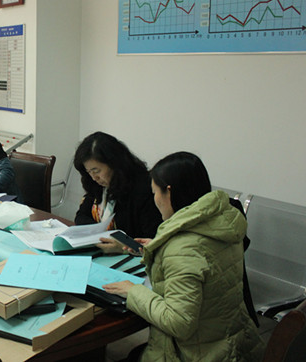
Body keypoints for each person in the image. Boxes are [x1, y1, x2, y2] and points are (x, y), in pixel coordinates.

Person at [102, 152, 264, 362]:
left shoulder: (183, 248)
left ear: (169, 192)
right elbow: (204, 258)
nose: (155, 200)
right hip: (232, 342)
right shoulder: (222, 223)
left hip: (196, 353)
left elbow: (179, 323)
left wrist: (133, 292)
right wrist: (158, 247)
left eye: (155, 193)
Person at [73, 132, 161, 253]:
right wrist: (99, 235)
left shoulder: (143, 189)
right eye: (89, 172)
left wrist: (124, 247)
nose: (94, 177)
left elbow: (153, 242)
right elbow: (81, 216)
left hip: (133, 258)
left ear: (114, 164)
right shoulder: (97, 185)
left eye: (96, 171)